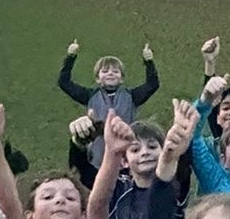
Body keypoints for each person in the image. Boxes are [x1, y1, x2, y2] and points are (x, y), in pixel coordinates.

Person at [58, 39, 160, 168]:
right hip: (97, 159)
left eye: (115, 71)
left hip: (126, 159)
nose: (110, 73)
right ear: (97, 78)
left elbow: (152, 84)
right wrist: (70, 57)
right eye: (105, 71)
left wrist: (149, 62)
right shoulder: (89, 95)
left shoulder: (132, 96)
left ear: (122, 78)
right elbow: (64, 83)